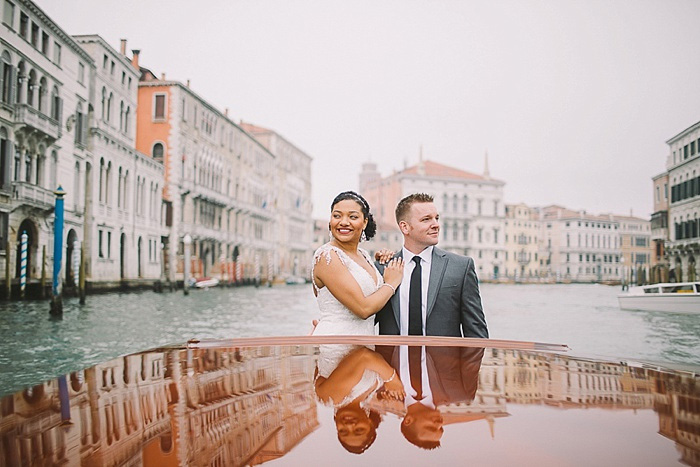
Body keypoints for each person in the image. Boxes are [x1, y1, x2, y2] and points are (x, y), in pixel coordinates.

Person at [375, 193, 488, 338]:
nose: (436, 225)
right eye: (426, 219)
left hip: (445, 360)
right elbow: (366, 321)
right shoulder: (382, 268)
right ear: (405, 227)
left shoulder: (461, 267)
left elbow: (476, 332)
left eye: (436, 218)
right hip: (390, 361)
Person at [312, 191, 404, 336]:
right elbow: (363, 309)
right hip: (337, 344)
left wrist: (385, 261)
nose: (343, 222)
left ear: (365, 222)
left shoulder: (364, 255)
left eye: (353, 217)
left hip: (364, 343)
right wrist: (391, 283)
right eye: (337, 216)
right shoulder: (326, 256)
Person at [375, 344, 484, 449]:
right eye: (441, 429)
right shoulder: (461, 392)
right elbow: (475, 347)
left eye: (430, 427)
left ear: (408, 420)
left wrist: (389, 378)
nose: (440, 423)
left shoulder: (382, 387)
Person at [315, 344, 405, 453]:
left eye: (343, 431)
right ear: (370, 423)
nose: (349, 425)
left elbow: (364, 356)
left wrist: (391, 379)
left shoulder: (330, 398)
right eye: (359, 430)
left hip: (341, 329)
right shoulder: (367, 395)